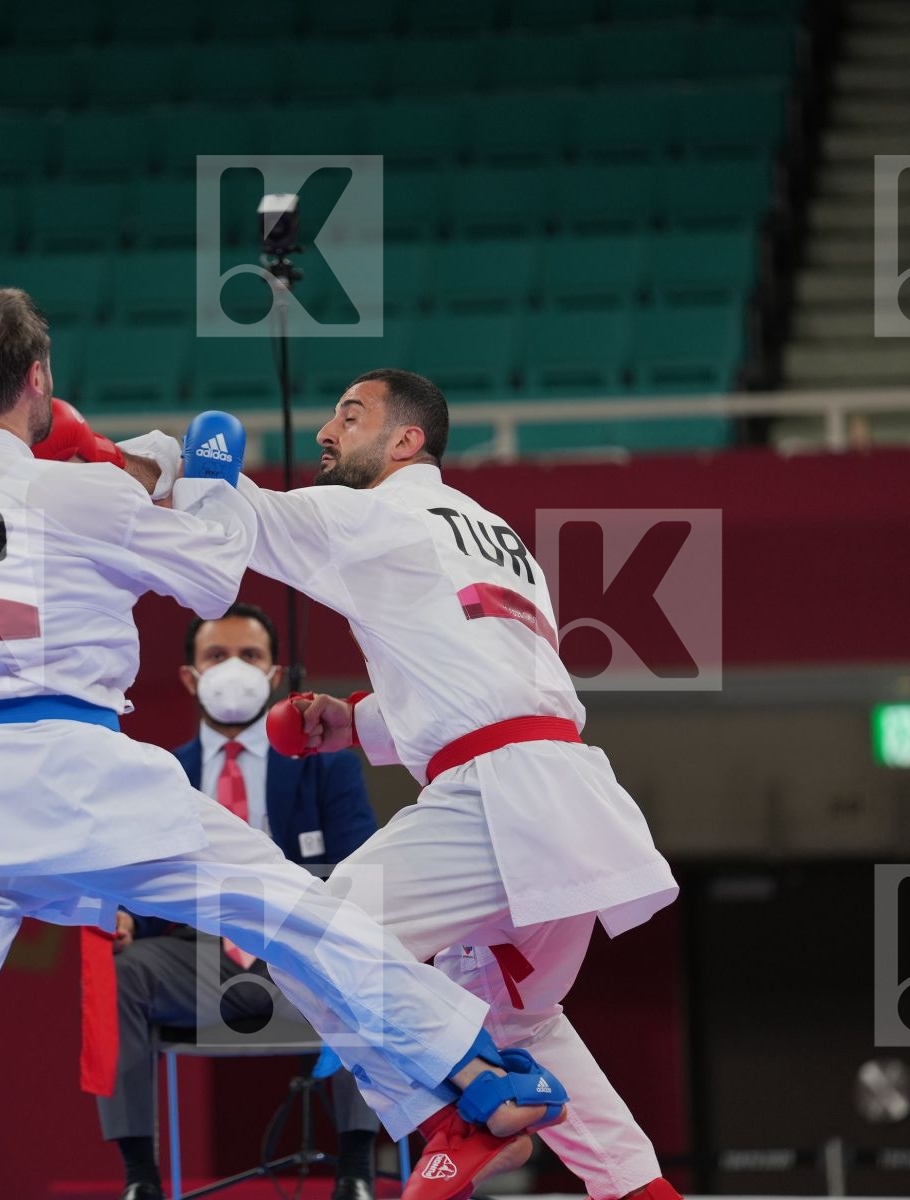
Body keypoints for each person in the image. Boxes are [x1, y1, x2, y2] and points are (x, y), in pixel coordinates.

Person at [0, 289, 568, 1200]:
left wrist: (117, 471)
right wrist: (211, 476)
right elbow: (209, 578)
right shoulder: (75, 492)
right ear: (39, 377)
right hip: (79, 778)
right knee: (292, 911)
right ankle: (481, 1075)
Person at [233, 369, 684, 1200]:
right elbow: (482, 674)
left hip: (496, 798)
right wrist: (357, 722)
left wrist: (171, 465)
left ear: (406, 441)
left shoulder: (375, 512)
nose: (326, 434)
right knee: (524, 1021)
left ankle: (463, 1108)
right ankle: (641, 1191)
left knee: (308, 940)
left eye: (350, 417)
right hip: (569, 793)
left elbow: (236, 522)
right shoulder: (495, 532)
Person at [97, 603, 382, 1200]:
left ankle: (356, 1168)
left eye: (249, 656)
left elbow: (358, 871)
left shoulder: (327, 767)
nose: (234, 669)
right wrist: (123, 918)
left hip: (303, 954)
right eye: (216, 656)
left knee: (368, 954)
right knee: (118, 971)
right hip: (194, 960)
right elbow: (146, 890)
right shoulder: (162, 774)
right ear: (189, 676)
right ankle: (139, 1179)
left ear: (276, 675)